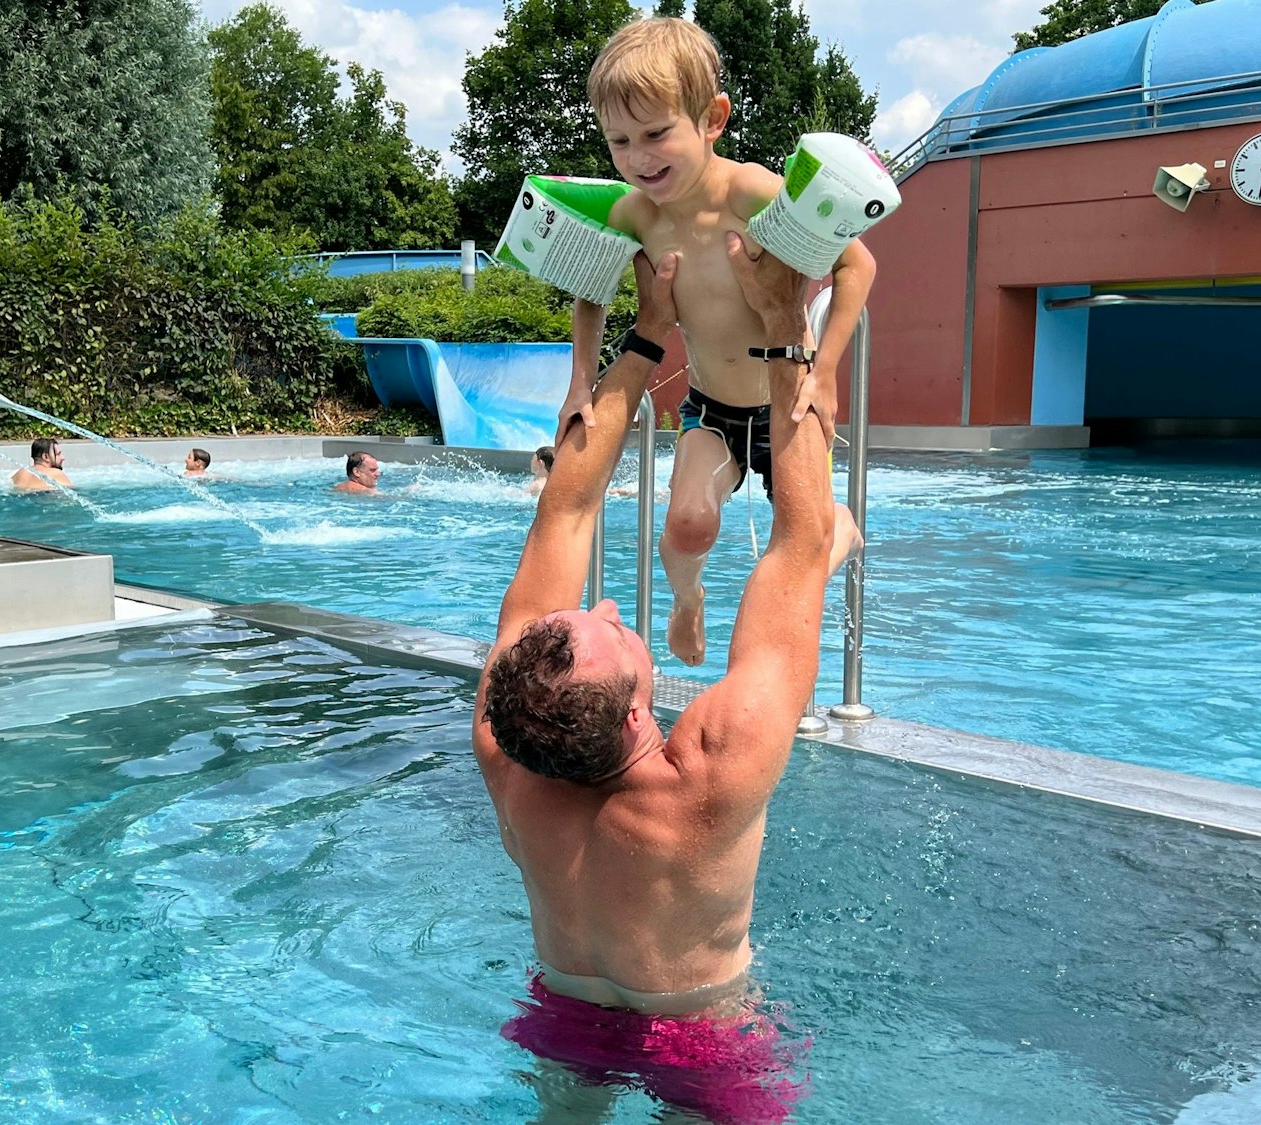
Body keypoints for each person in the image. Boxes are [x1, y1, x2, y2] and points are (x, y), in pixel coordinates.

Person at [476, 244, 859, 1122]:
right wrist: (782, 330)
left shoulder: (506, 749)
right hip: (703, 1038)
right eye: (612, 627)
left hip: (565, 1017)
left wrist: (646, 337)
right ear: (640, 709)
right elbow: (800, 540)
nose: (606, 602)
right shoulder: (714, 773)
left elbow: (564, 508)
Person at [562, 17, 872, 667]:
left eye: (655, 134)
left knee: (806, 545)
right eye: (619, 140)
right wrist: (578, 383)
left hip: (789, 401)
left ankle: (837, 527)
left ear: (712, 119)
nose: (638, 157)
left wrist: (827, 372)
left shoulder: (752, 192)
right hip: (713, 408)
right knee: (685, 526)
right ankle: (687, 599)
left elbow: (857, 266)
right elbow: (589, 288)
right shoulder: (633, 216)